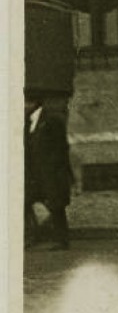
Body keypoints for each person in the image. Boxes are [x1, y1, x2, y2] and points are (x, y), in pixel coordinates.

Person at [23, 91, 74, 250]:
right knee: (24, 202)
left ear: (33, 103)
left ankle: (62, 240)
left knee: (56, 206)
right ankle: (32, 236)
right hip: (35, 174)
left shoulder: (52, 121)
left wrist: (55, 170)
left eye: (24, 103)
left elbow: (61, 148)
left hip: (51, 173)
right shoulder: (28, 121)